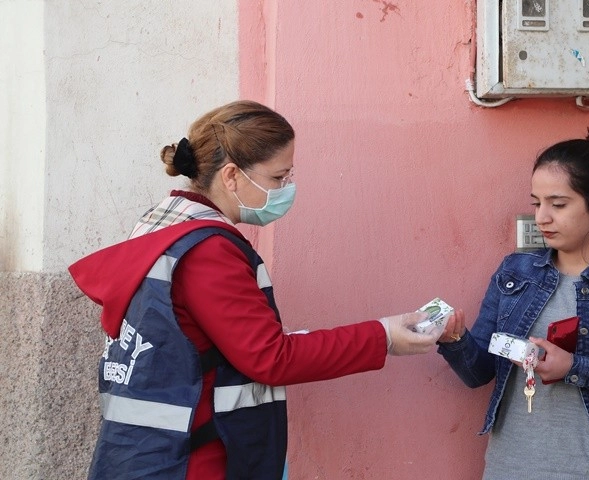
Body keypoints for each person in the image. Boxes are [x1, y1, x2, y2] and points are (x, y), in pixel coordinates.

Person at [68, 100, 444, 480]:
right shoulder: (208, 251)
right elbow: (270, 358)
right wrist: (383, 337)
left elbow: (220, 345)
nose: (286, 189)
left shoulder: (160, 225)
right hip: (191, 462)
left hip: (142, 454)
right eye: (278, 178)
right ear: (231, 176)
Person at [437, 126, 589, 479]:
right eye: (537, 203)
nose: (541, 217)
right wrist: (455, 342)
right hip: (509, 468)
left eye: (558, 204)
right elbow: (479, 374)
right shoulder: (515, 273)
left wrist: (576, 369)